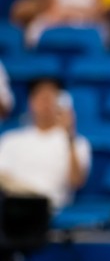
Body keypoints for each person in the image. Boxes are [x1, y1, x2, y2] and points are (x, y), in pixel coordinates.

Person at [0, 78, 90, 211]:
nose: (45, 103)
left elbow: (76, 181)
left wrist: (69, 136)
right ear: (31, 102)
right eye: (41, 97)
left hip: (49, 208)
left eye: (50, 97)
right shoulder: (10, 139)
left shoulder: (76, 142)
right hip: (12, 206)